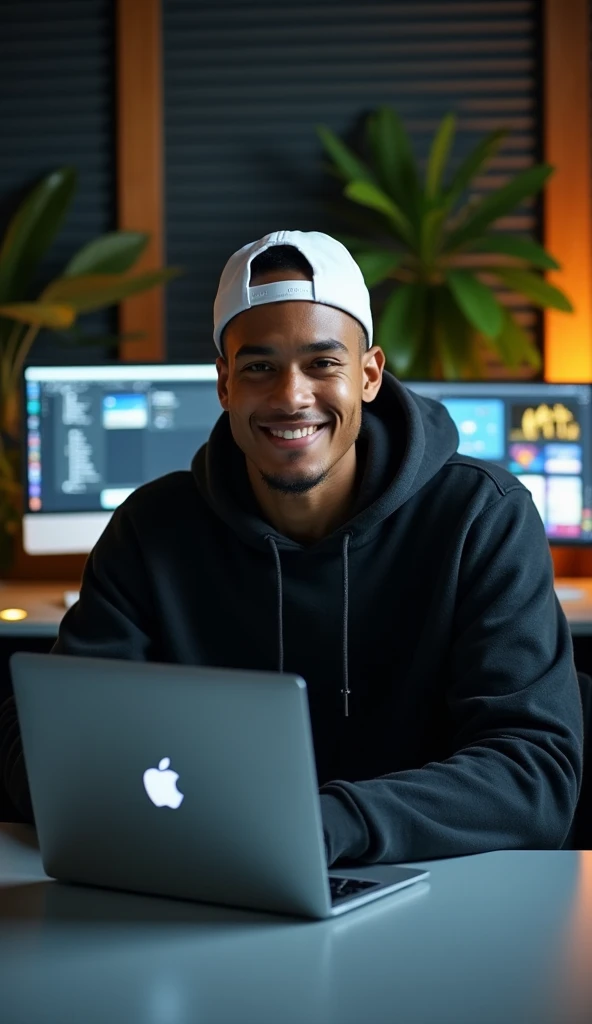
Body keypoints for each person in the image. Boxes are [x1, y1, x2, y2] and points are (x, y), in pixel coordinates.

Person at [0, 230, 584, 865]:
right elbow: (58, 738)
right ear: (224, 384)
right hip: (213, 882)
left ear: (369, 374)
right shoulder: (151, 529)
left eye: (322, 363)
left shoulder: (481, 516)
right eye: (259, 367)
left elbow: (533, 774)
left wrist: (323, 827)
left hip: (440, 892)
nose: (290, 396)